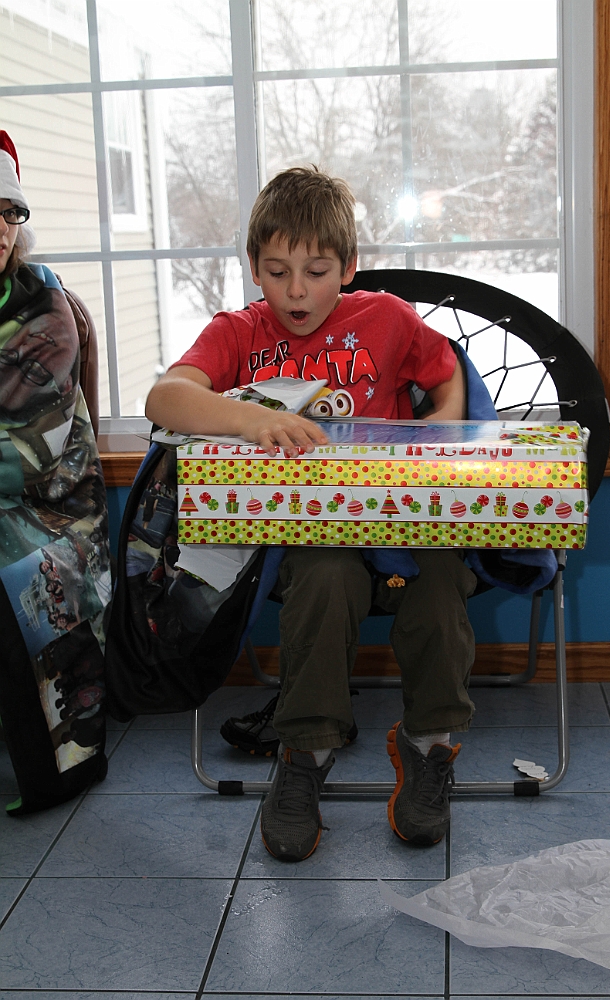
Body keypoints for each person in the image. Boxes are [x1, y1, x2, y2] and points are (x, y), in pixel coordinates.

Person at [146, 166, 477, 862]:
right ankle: (306, 753)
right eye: (277, 272)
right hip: (311, 535)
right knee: (325, 581)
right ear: (254, 268)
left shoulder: (385, 317)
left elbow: (446, 371)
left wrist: (439, 432)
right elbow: (164, 399)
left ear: (347, 267)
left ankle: (428, 747)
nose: (296, 290)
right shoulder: (240, 331)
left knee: (444, 585)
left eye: (317, 271)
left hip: (404, 525)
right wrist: (250, 419)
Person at [0, 130, 111, 813]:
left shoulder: (46, 313)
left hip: (52, 512)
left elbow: (24, 455)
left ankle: (59, 764)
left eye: (9, 211)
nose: (0, 229)